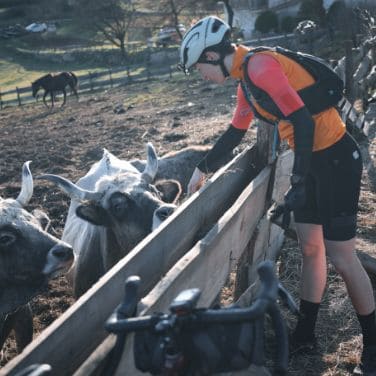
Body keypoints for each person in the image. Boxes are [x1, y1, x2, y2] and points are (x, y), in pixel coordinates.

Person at [178, 15, 376, 375]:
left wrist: (297, 180)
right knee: (310, 248)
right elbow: (235, 133)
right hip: (310, 163)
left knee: (341, 255)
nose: (202, 77)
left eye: (198, 68)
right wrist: (202, 168)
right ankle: (305, 333)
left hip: (334, 159)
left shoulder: (261, 66)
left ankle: (373, 342)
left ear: (210, 55)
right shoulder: (246, 85)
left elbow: (301, 121)